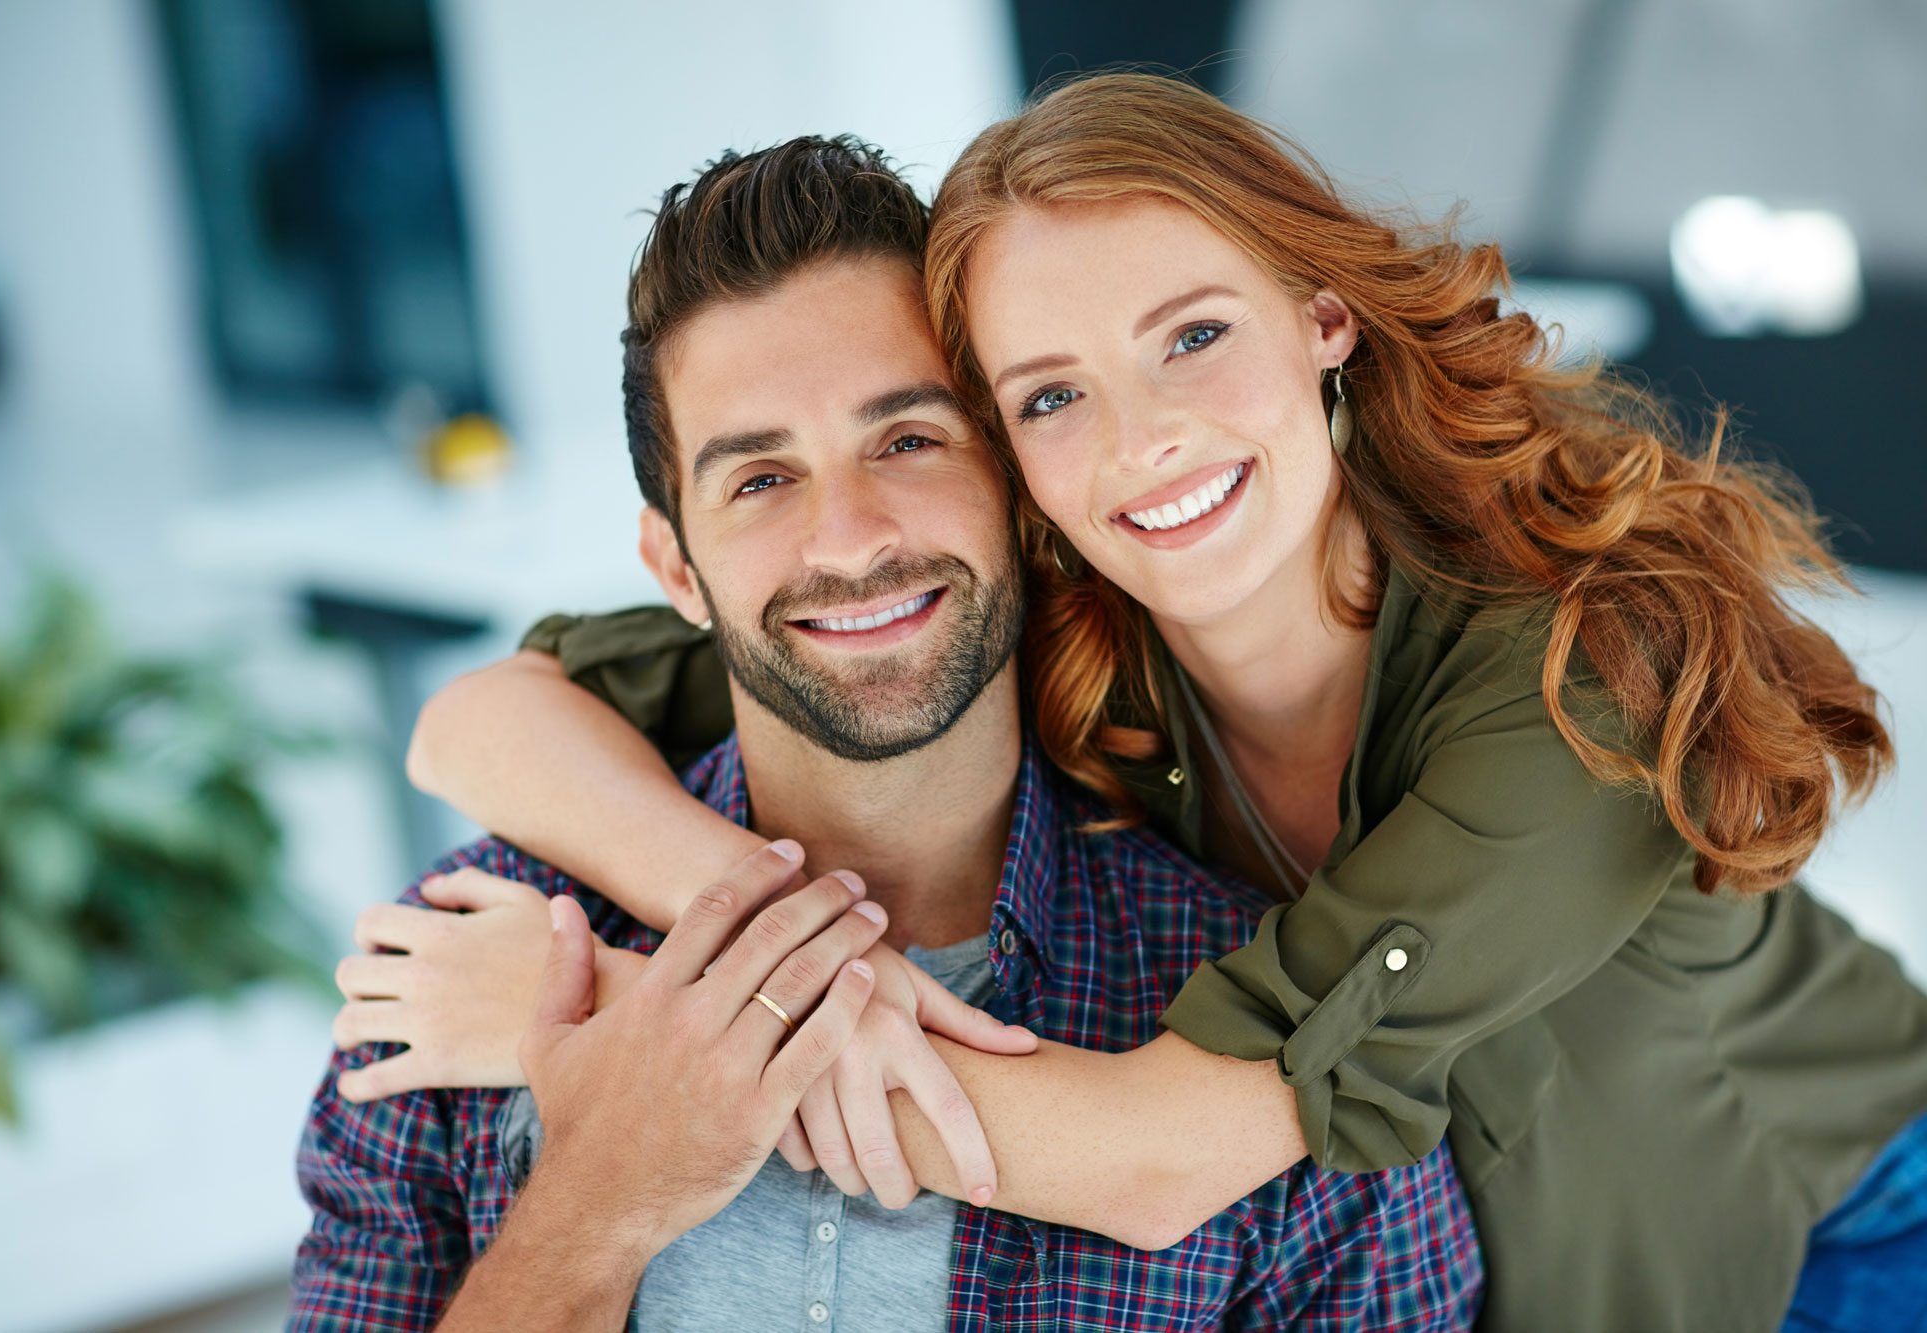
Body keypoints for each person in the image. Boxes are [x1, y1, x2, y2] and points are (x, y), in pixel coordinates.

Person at [352, 79, 1927, 1330]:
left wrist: (619, 1030)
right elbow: (488, 716)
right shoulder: (1031, 607)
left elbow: (1157, 1162)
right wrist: (739, 921)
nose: (1146, 439)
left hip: (1827, 1212)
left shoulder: (1582, 681)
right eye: (1049, 393)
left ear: (1324, 317)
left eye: (1192, 335)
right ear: (1011, 454)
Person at [291, 135, 1483, 1332]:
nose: (850, 539)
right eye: (758, 479)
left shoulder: (1238, 1028)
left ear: (1019, 488)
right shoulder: (462, 962)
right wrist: (599, 1199)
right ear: (675, 567)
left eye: (907, 440)